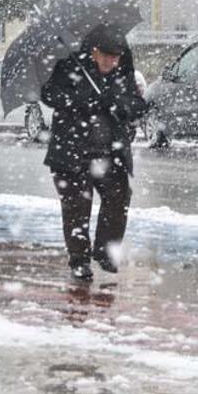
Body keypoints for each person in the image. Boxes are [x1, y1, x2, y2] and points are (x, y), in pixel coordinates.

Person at [41, 25, 147, 281]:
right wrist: (84, 101)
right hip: (72, 152)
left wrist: (123, 106)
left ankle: (104, 251)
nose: (114, 62)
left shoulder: (122, 66)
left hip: (110, 152)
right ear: (95, 52)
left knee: (119, 196)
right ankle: (79, 260)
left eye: (117, 56)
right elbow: (50, 93)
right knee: (77, 206)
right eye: (109, 56)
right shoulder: (69, 62)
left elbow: (136, 102)